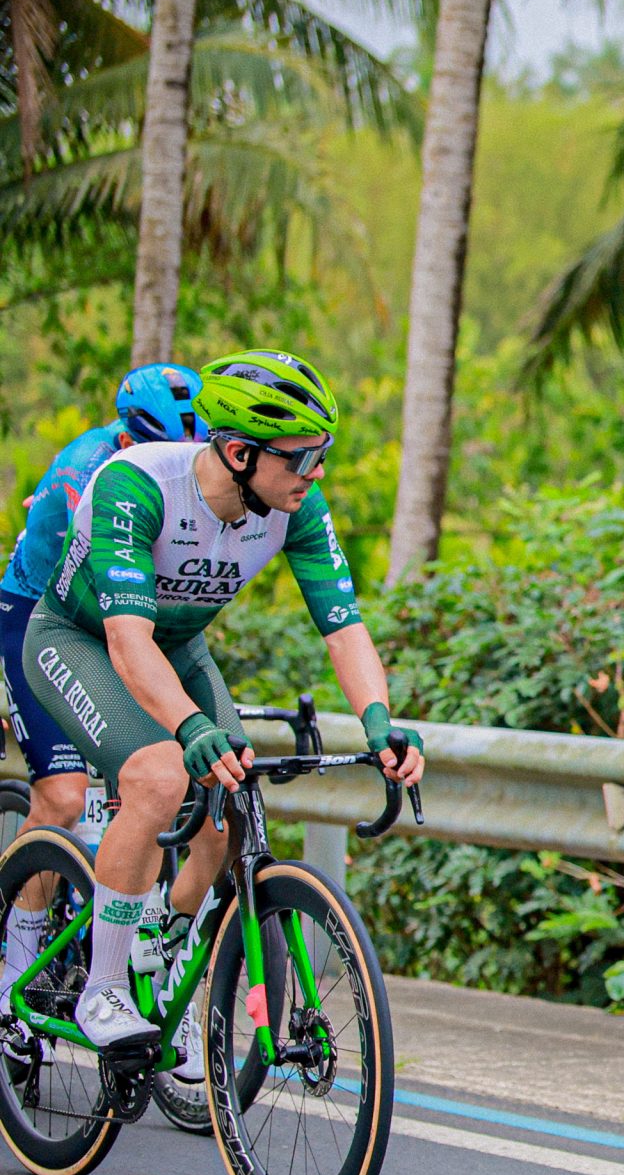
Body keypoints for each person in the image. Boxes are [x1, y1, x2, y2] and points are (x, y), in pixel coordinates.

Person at [14, 350, 424, 1058]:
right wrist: (189, 727)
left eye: (322, 453)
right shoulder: (136, 487)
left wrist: (379, 723)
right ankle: (102, 987)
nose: (316, 471)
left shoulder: (295, 503)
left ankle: (163, 954)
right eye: (303, 456)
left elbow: (344, 626)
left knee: (234, 808)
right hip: (77, 638)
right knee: (159, 775)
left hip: (176, 648)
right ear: (238, 453)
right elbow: (126, 639)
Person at [0, 366, 209, 1066]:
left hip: (128, 624)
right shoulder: (80, 475)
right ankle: (15, 967)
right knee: (61, 795)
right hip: (46, 615)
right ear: (126, 436)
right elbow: (96, 624)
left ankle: (142, 975)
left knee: (157, 788)